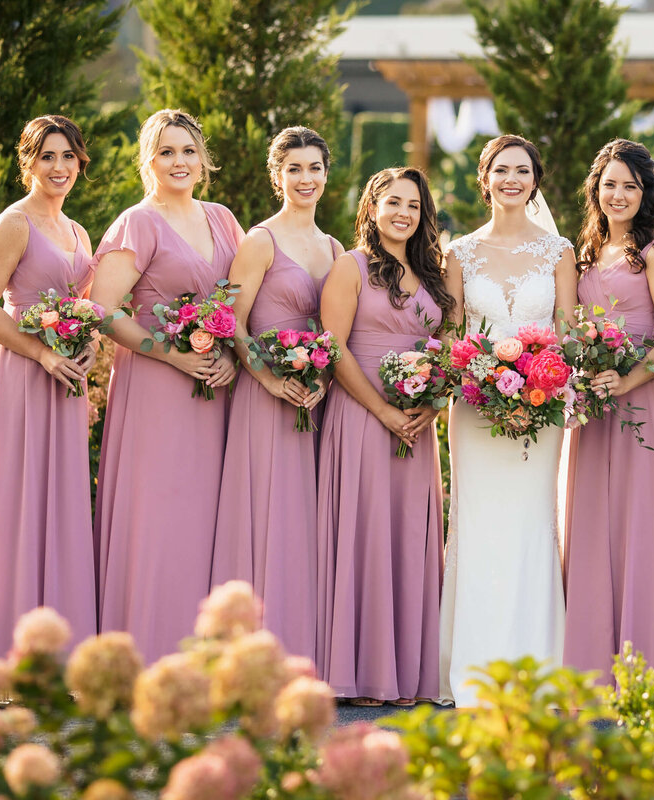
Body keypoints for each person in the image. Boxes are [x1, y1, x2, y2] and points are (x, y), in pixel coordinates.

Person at [90, 109, 244, 663]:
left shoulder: (224, 220)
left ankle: (208, 654)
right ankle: (149, 650)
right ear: (148, 161)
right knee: (160, 513)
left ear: (203, 159)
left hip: (217, 387)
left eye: (187, 151)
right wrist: (173, 356)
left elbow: (242, 302)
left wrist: (231, 351)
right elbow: (103, 310)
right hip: (157, 389)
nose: (179, 162)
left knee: (210, 517)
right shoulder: (138, 222)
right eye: (166, 152)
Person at [0, 115, 98, 682]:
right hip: (25, 374)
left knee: (59, 505)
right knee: (18, 506)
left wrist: (84, 348)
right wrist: (41, 353)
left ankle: (55, 660)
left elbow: (82, 305)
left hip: (66, 378)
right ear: (28, 163)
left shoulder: (78, 232)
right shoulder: (14, 223)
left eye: (68, 157)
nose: (59, 168)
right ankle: (4, 662)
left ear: (80, 162)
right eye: (47, 157)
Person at [438, 134, 577, 707]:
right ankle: (472, 667)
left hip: (542, 411)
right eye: (501, 170)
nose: (511, 179)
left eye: (522, 170)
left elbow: (567, 335)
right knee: (477, 523)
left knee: (530, 522)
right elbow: (451, 339)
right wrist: (481, 381)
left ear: (536, 180)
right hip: (475, 411)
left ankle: (536, 668)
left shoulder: (560, 251)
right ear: (485, 178)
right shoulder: (460, 253)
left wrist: (543, 387)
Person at [317, 167, 454, 706]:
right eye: (393, 202)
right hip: (361, 414)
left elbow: (448, 348)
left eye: (414, 206)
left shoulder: (433, 275)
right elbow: (333, 345)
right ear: (372, 205)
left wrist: (431, 401)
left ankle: (406, 673)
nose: (404, 213)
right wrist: (381, 410)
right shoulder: (349, 268)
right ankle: (362, 671)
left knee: (405, 535)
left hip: (416, 421)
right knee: (366, 531)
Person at [562, 139, 654, 682]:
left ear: (647, 193)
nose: (618, 195)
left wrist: (627, 378)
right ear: (595, 189)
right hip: (593, 408)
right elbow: (569, 326)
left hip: (643, 404)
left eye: (630, 186)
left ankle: (643, 668)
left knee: (639, 528)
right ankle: (590, 669)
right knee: (591, 526)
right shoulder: (584, 251)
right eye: (610, 184)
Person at [211, 127, 342, 659]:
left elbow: (340, 331)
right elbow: (231, 322)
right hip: (265, 397)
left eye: (314, 168)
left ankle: (302, 648)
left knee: (306, 521)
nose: (305, 178)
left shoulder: (335, 247)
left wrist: (324, 378)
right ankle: (249, 651)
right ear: (277, 176)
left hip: (315, 398)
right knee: (267, 515)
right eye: (294, 169)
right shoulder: (259, 241)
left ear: (327, 175)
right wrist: (268, 378)